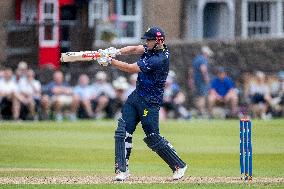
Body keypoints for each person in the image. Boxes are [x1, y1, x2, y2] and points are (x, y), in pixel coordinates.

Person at [97, 26, 187, 181]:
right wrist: (116, 52)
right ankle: (122, 170)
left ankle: (178, 165)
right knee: (122, 131)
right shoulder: (151, 49)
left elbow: (132, 68)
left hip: (150, 102)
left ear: (158, 41)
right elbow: (134, 48)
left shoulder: (159, 59)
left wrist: (110, 61)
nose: (146, 42)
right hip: (136, 96)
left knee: (152, 136)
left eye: (149, 40)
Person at [188, 46, 213, 117]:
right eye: (207, 54)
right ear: (205, 53)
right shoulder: (203, 59)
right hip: (201, 81)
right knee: (202, 96)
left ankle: (199, 112)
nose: (208, 56)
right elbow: (203, 69)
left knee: (198, 96)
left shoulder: (196, 59)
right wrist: (206, 78)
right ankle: (201, 112)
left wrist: (191, 79)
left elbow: (191, 70)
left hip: (196, 80)